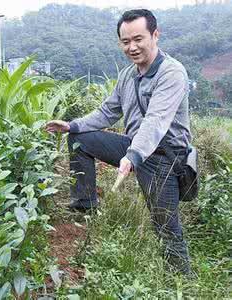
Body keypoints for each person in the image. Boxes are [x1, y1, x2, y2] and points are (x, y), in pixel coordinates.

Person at [46, 9, 194, 274]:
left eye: (138, 39)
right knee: (80, 138)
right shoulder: (128, 75)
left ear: (155, 35)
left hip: (165, 157)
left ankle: (182, 280)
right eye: (126, 42)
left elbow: (156, 121)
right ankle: (84, 205)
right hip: (135, 148)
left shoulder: (172, 73)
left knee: (165, 225)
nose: (132, 47)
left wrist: (133, 155)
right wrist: (73, 124)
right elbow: (107, 112)